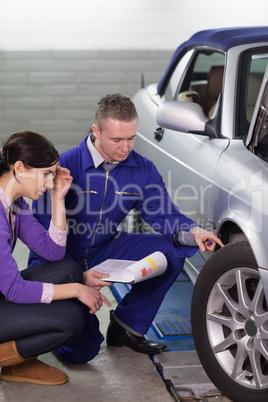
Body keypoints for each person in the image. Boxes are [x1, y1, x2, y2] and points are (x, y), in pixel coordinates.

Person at [29, 94, 224, 364]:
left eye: (132, 138)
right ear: (96, 131)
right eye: (117, 140)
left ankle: (126, 327)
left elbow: (163, 213)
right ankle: (54, 324)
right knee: (82, 352)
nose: (126, 147)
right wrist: (75, 280)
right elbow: (39, 237)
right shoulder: (64, 167)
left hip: (106, 248)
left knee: (171, 252)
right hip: (62, 261)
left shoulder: (142, 169)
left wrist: (193, 232)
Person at [0, 130, 111, 386]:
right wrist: (77, 289)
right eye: (46, 175)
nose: (50, 182)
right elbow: (15, 290)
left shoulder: (15, 203)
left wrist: (57, 197)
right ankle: (7, 358)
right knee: (71, 320)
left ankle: (18, 360)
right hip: (6, 293)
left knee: (68, 268)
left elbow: (52, 252)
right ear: (19, 168)